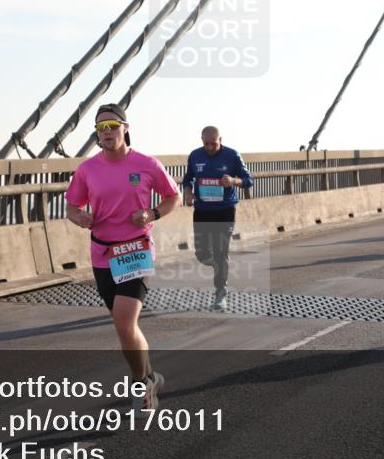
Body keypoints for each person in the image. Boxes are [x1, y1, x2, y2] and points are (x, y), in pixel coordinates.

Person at [65, 104, 180, 415]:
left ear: (125, 128)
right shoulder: (87, 169)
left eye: (113, 125)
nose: (107, 132)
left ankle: (140, 387)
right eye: (101, 127)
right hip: (103, 251)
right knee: (126, 328)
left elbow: (173, 197)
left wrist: (153, 213)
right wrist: (80, 218)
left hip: (136, 250)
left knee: (124, 321)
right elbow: (72, 206)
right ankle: (150, 377)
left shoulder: (146, 164)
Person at [182, 126, 254, 310]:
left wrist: (233, 181)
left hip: (225, 210)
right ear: (201, 140)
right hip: (202, 210)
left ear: (220, 139)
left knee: (221, 251)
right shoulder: (195, 155)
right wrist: (188, 194)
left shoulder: (232, 155)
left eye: (213, 144)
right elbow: (188, 179)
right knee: (202, 253)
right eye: (206, 143)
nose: (209, 147)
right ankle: (219, 266)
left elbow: (248, 179)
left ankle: (220, 292)